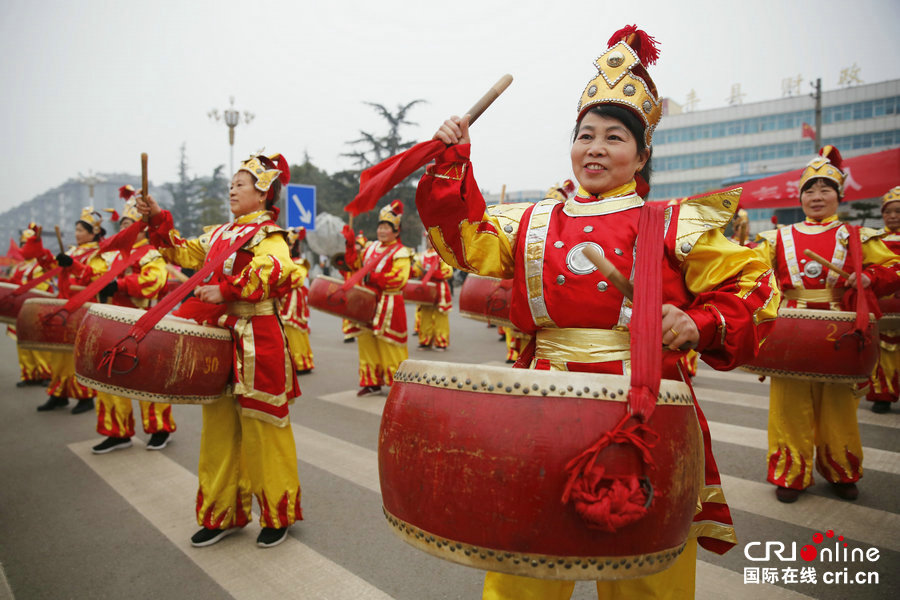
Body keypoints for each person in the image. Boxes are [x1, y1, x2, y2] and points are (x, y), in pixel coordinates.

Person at [414, 26, 780, 599]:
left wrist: (700, 322)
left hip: (644, 405)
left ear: (642, 152)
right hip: (546, 403)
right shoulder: (538, 222)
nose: (596, 148)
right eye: (586, 135)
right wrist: (451, 162)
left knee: (643, 569)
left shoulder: (670, 222)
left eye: (614, 137)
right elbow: (466, 241)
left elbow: (756, 280)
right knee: (525, 559)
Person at [135, 151, 303, 549]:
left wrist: (226, 290)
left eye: (241, 184)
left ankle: (277, 514)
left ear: (262, 194)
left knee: (265, 432)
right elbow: (179, 250)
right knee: (218, 432)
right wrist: (156, 217)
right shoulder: (218, 235)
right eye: (231, 183)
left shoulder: (270, 236)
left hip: (257, 338)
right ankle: (222, 512)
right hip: (218, 337)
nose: (232, 188)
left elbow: (280, 271)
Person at [755, 148, 900, 503]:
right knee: (788, 405)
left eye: (825, 189)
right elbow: (748, 272)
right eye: (809, 190)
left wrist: (870, 277)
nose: (816, 196)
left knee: (838, 406)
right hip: (790, 328)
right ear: (800, 196)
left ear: (839, 196)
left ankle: (841, 470)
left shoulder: (859, 236)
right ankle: (790, 474)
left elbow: (895, 268)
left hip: (840, 331)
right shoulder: (775, 238)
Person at [90, 194, 176, 454]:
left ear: (141, 227)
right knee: (109, 379)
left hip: (142, 326)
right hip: (112, 326)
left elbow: (154, 282)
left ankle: (160, 428)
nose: (125, 228)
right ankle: (117, 432)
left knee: (145, 379)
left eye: (131, 223)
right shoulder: (113, 256)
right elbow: (90, 276)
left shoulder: (149, 254)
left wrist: (121, 284)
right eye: (123, 224)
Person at [25, 208, 106, 414]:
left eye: (81, 230)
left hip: (82, 308)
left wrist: (75, 266)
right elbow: (49, 266)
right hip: (64, 306)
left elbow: (98, 278)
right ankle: (58, 393)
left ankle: (85, 397)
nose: (77, 233)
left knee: (76, 355)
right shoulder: (72, 251)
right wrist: (39, 246)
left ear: (93, 233)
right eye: (76, 229)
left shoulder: (99, 253)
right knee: (59, 353)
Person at [342, 201, 413, 397]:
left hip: (389, 304)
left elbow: (399, 279)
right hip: (368, 302)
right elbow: (355, 265)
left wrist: (373, 278)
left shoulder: (401, 252)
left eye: (386, 228)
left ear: (396, 231)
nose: (381, 231)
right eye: (380, 227)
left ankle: (400, 385)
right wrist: (349, 245)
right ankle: (371, 381)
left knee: (390, 346)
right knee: (366, 343)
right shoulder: (370, 247)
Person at [3, 223, 52, 387]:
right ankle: (29, 374)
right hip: (18, 310)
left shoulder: (39, 265)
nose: (24, 248)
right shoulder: (17, 266)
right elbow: (12, 284)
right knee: (22, 344)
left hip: (33, 309)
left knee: (36, 344)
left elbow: (42, 288)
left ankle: (45, 373)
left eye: (27, 244)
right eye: (22, 244)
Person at [867, 186, 900, 414]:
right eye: (888, 212)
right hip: (882, 304)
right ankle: (883, 394)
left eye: (898, 211)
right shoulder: (873, 239)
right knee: (882, 351)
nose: (893, 216)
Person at [279, 227, 315, 374]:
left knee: (295, 332)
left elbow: (296, 280)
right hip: (281, 301)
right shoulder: (279, 261)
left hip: (294, 303)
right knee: (284, 334)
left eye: (288, 243)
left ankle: (302, 363)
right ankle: (289, 363)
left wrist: (277, 280)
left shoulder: (300, 262)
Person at [411, 242, 453, 351]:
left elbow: (448, 272)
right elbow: (416, 271)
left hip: (440, 290)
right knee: (425, 316)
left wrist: (433, 274)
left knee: (441, 318)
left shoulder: (443, 255)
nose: (430, 241)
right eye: (428, 239)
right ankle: (425, 341)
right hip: (426, 291)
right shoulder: (422, 255)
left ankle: (441, 342)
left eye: (432, 238)